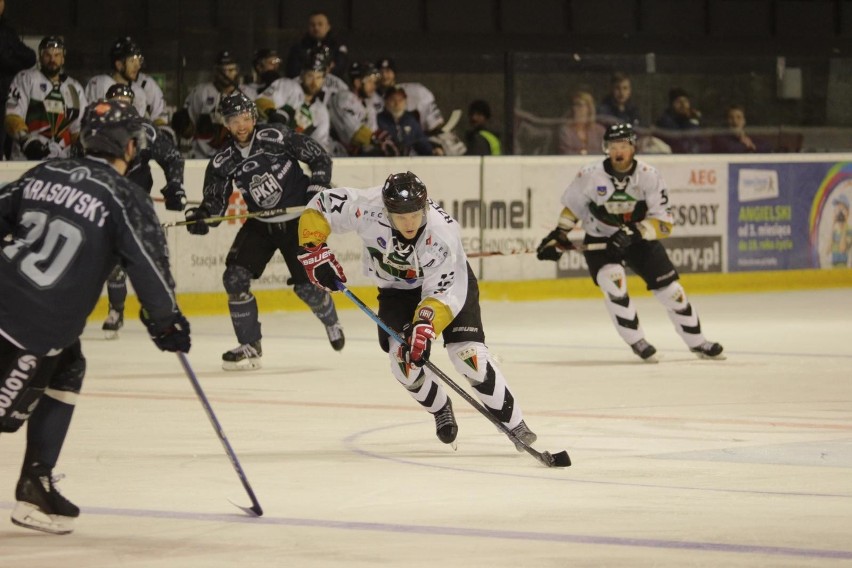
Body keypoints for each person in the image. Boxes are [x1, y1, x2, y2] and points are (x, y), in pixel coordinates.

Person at [0, 98, 191, 535]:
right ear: (128, 146)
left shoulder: (44, 172)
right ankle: (34, 483)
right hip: (29, 325)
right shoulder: (125, 195)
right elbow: (148, 265)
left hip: (18, 306)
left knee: (70, 366)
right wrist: (166, 322)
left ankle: (36, 481)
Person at [296, 171, 539, 449]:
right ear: (387, 210)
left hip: (448, 288)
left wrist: (424, 327)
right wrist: (314, 250)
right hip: (397, 292)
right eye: (401, 217)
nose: (409, 222)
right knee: (403, 363)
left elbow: (440, 294)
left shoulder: (442, 232)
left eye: (414, 214)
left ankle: (515, 424)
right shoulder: (367, 206)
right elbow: (321, 205)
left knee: (469, 357)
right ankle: (440, 408)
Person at [536, 123, 724, 362]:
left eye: (623, 145)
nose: (618, 151)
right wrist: (559, 235)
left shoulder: (649, 176)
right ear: (606, 148)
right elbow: (572, 209)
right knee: (614, 284)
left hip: (640, 241)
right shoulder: (590, 175)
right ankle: (638, 342)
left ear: (633, 147)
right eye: (613, 146)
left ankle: (699, 343)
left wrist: (634, 232)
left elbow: (665, 223)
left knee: (672, 292)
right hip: (600, 240)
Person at [183, 92, 344, 370]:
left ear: (254, 117)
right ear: (225, 123)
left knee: (307, 287)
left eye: (245, 118)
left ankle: (330, 318)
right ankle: (250, 345)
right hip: (262, 223)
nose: (241, 125)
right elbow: (214, 206)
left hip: (297, 221)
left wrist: (315, 191)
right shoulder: (223, 161)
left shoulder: (276, 137)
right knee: (234, 278)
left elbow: (319, 158)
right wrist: (202, 217)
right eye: (234, 121)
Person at [99, 83, 187, 338]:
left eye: (125, 103)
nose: (120, 108)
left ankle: (164, 311)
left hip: (136, 207)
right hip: (103, 203)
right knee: (111, 261)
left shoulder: (145, 130)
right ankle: (116, 310)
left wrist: (175, 187)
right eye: (115, 102)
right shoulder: (95, 130)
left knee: (150, 258)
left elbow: (172, 157)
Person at [4, 36, 87, 161]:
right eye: (47, 55)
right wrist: (26, 141)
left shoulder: (74, 87)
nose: (52, 59)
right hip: (26, 160)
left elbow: (78, 128)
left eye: (57, 55)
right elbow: (12, 116)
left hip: (62, 163)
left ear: (63, 58)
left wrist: (82, 146)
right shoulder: (25, 78)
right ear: (40, 57)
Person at [255, 46, 332, 152]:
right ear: (302, 75)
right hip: (262, 145)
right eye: (310, 76)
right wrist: (273, 114)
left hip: (291, 157)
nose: (314, 83)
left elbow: (321, 145)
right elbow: (260, 101)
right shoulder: (287, 85)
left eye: (318, 77)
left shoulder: (321, 111)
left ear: (324, 79)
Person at [171, 50, 242, 158]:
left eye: (230, 70)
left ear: (237, 71)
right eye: (222, 70)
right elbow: (188, 128)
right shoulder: (201, 91)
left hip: (237, 157)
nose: (226, 74)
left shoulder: (248, 94)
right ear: (216, 71)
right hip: (203, 157)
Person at [328, 61, 396, 157]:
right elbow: (354, 134)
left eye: (374, 82)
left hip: (353, 155)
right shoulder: (343, 98)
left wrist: (388, 140)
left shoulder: (367, 102)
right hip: (335, 154)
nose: (374, 86)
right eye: (369, 81)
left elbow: (373, 130)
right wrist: (377, 139)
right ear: (357, 82)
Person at [0, 0, 36, 159]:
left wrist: (8, 60)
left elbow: (30, 57)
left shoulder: (7, 31)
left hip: (6, 98)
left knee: (9, 146)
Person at [84, 37, 150, 120]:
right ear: (119, 64)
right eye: (132, 61)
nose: (137, 66)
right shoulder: (100, 84)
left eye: (138, 61)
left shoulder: (139, 93)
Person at [376, 86, 439, 156]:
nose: (397, 104)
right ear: (386, 102)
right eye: (393, 100)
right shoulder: (378, 120)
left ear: (405, 102)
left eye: (400, 100)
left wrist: (433, 151)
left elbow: (422, 142)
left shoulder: (411, 120)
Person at [284, 11, 348, 79]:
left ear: (328, 27)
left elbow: (341, 68)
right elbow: (292, 70)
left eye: (320, 24)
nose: (316, 28)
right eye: (312, 25)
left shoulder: (337, 46)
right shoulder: (298, 48)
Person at [654, 87, 708, 153]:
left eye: (685, 101)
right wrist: (691, 121)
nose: (683, 105)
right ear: (672, 105)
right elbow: (681, 145)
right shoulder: (665, 121)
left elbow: (705, 144)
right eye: (678, 102)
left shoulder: (692, 119)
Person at [557, 90, 605, 155]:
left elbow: (604, 154)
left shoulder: (600, 131)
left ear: (589, 108)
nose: (575, 108)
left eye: (579, 105)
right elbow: (566, 154)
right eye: (573, 105)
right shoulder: (566, 131)